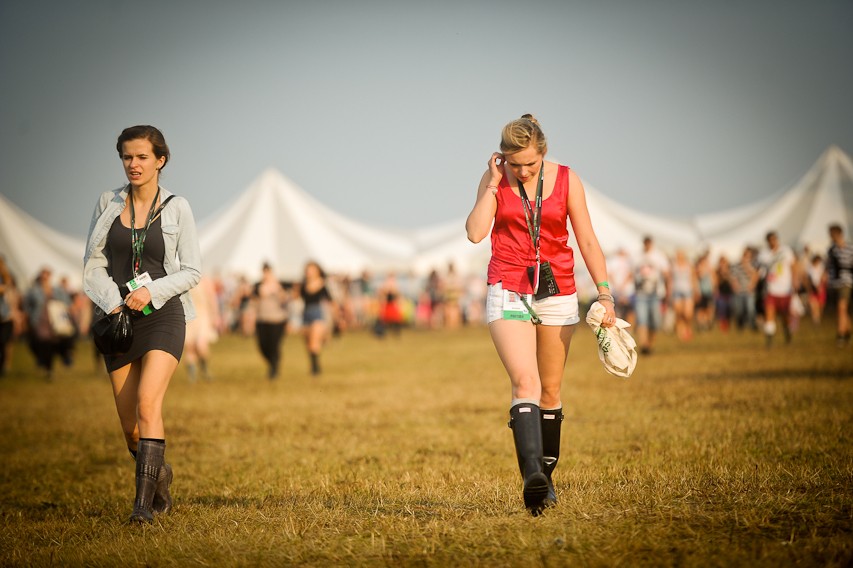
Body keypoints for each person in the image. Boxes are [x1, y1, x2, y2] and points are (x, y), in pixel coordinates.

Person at [465, 114, 616, 516]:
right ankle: (531, 474)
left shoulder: (567, 179)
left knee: (550, 390)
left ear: (543, 152)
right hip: (508, 285)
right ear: (503, 158)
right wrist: (494, 185)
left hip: (558, 288)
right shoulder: (497, 181)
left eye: (530, 164)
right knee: (525, 381)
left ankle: (546, 477)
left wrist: (605, 294)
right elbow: (475, 232)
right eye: (515, 164)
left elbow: (586, 237)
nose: (523, 171)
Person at [83, 125, 201, 523]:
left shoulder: (177, 207)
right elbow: (94, 263)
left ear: (160, 161)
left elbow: (192, 271)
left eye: (142, 157)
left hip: (163, 314)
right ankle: (159, 474)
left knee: (149, 404)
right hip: (118, 319)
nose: (133, 164)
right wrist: (112, 302)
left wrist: (153, 291)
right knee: (131, 429)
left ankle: (141, 509)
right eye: (127, 157)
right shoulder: (106, 202)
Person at [24, 267, 75, 379]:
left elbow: (67, 303)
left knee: (53, 345)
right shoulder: (33, 291)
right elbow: (27, 306)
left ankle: (51, 366)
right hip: (40, 322)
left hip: (55, 322)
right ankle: (48, 367)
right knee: (44, 345)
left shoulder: (57, 290)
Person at [757, 231, 799, 347]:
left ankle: (788, 333)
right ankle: (769, 340)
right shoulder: (763, 255)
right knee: (769, 314)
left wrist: (795, 281)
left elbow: (793, 266)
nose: (772, 242)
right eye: (770, 240)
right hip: (771, 290)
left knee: (785, 316)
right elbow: (760, 271)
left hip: (785, 289)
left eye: (774, 239)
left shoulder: (786, 251)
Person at [252, 263, 290, 379]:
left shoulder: (279, 285)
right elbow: (254, 298)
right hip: (262, 319)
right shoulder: (258, 285)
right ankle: (272, 363)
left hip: (277, 319)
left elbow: (285, 300)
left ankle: (274, 368)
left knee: (274, 345)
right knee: (263, 345)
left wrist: (277, 289)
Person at [634, 236, 670, 354]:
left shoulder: (659, 256)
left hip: (655, 293)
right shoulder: (637, 256)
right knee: (642, 320)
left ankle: (649, 344)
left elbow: (666, 273)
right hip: (640, 293)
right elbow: (632, 273)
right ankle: (644, 345)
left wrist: (667, 290)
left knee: (655, 322)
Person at [298, 261, 334, 375]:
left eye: (312, 269)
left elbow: (331, 301)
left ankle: (315, 369)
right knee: (309, 343)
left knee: (314, 341)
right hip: (305, 314)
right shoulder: (303, 285)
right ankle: (314, 365)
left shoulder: (322, 284)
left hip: (317, 313)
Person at [827, 224, 853, 347]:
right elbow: (829, 267)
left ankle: (841, 335)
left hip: (846, 282)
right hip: (834, 283)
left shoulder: (850, 248)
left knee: (841, 308)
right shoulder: (832, 250)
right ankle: (848, 331)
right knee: (843, 310)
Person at [670, 249, 697, 341]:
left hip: (688, 291)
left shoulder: (689, 265)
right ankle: (681, 332)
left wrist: (695, 290)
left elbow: (693, 278)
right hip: (676, 291)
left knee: (688, 314)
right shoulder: (673, 266)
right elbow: (670, 280)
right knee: (679, 313)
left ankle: (688, 328)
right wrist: (669, 292)